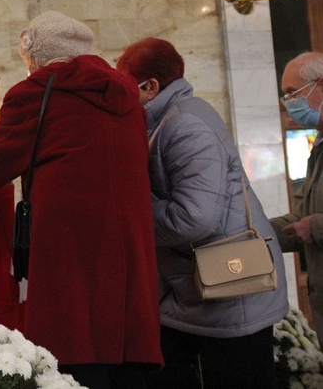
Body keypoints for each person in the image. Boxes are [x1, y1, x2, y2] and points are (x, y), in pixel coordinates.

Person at [0, 11, 163, 389]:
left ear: (32, 57)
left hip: (72, 256)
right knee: (122, 362)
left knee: (75, 363)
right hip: (129, 258)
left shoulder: (38, 91)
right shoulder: (126, 96)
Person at [115, 37, 289, 389]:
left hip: (229, 291)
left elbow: (195, 217)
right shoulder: (169, 119)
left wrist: (131, 214)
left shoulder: (185, 125)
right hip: (199, 292)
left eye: (124, 87)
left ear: (150, 87)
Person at [270, 51, 323, 343]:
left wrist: (314, 228)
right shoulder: (319, 145)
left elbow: (309, 224)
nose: (289, 103)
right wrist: (250, 233)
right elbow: (300, 218)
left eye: (293, 92)